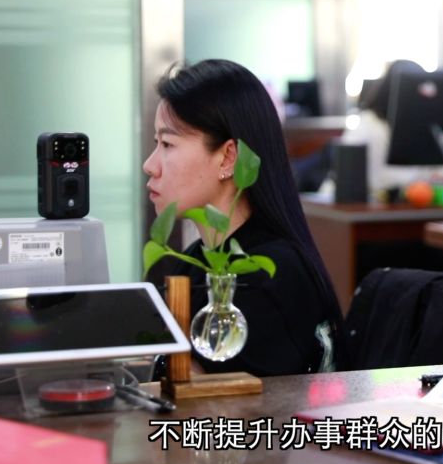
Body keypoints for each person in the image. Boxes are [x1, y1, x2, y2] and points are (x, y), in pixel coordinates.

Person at [144, 59, 347, 376]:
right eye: (156, 143)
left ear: (228, 158)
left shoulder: (268, 279)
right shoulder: (191, 264)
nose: (150, 165)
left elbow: (226, 401)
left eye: (168, 144)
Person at [342, 59, 443, 199]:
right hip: (376, 204)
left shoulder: (423, 124)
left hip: (418, 203)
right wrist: (422, 178)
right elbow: (374, 180)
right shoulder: (369, 125)